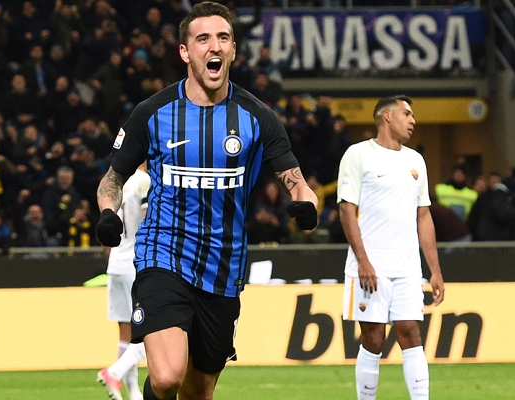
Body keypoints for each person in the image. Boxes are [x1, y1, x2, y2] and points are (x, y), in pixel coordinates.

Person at [94, 3, 319, 400]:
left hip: (223, 268)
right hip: (163, 256)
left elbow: (298, 183)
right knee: (167, 377)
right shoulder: (152, 113)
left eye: (223, 38)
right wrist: (108, 213)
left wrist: (306, 205)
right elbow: (111, 180)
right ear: (185, 51)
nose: (214, 46)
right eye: (203, 39)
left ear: (233, 50)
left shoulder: (258, 117)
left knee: (198, 392)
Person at [336, 95, 445, 400]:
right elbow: (346, 210)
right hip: (370, 267)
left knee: (411, 332)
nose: (413, 121)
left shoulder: (416, 161)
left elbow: (423, 216)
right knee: (373, 338)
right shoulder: (358, 154)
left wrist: (435, 270)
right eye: (406, 114)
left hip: (407, 267)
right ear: (387, 116)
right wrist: (363, 261)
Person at [97, 163, 151, 400]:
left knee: (125, 333)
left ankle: (133, 393)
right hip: (135, 262)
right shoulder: (143, 180)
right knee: (153, 330)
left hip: (116, 263)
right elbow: (149, 217)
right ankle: (114, 372)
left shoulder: (116, 182)